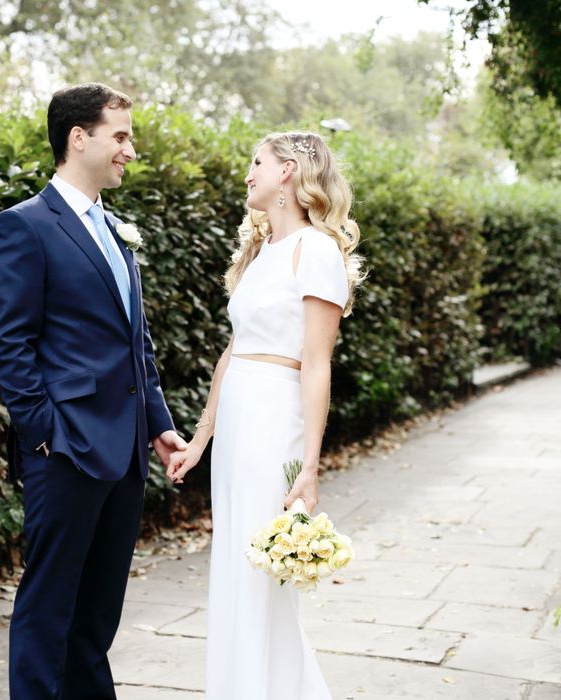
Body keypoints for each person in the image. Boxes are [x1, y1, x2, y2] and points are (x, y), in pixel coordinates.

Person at [0, 82, 186, 700]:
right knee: (49, 609)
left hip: (124, 452)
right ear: (80, 137)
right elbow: (8, 344)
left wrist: (157, 425)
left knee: (97, 614)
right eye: (120, 136)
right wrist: (46, 435)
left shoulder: (114, 230)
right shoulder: (24, 227)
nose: (130, 150)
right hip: (66, 451)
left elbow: (135, 344)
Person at [167, 131, 364, 699]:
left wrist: (309, 465)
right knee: (235, 563)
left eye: (258, 163)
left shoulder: (316, 250)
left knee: (260, 571)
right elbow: (233, 351)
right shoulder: (259, 252)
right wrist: (201, 438)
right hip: (237, 419)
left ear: (289, 172)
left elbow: (317, 364)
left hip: (275, 416)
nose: (248, 174)